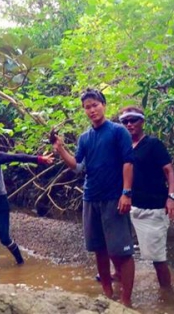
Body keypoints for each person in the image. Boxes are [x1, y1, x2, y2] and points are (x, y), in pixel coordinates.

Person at [52, 89, 135, 306]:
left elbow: (128, 162)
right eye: (87, 107)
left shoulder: (118, 132)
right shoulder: (85, 138)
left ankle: (126, 300)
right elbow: (78, 167)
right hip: (91, 198)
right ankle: (107, 294)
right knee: (99, 249)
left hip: (114, 197)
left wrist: (126, 193)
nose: (91, 110)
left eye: (95, 105)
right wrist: (61, 150)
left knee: (122, 251)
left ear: (103, 105)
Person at [0, 131, 54, 264]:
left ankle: (20, 261)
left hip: (0, 201)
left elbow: (17, 157)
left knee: (4, 238)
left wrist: (38, 159)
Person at [119, 106, 174, 289]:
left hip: (152, 208)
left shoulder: (153, 144)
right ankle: (120, 283)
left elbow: (169, 170)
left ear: (142, 121)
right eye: (125, 121)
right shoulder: (123, 147)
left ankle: (167, 295)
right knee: (120, 250)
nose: (129, 124)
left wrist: (172, 197)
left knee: (157, 258)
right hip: (128, 206)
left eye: (133, 120)